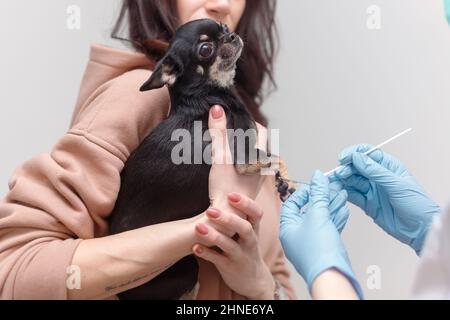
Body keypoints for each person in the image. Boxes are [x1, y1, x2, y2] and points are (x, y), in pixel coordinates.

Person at [0, 0, 297, 300]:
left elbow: (280, 279)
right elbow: (16, 270)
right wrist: (205, 228)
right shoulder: (138, 99)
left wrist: (258, 284)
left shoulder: (251, 128)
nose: (221, 3)